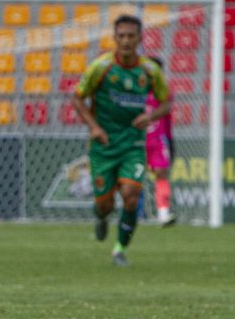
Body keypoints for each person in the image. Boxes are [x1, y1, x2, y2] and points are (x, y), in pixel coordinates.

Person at [72, 15, 171, 267]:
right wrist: (94, 127)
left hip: (133, 145)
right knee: (104, 205)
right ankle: (101, 217)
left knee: (130, 196)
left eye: (131, 35)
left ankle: (119, 249)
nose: (126, 40)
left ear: (140, 38)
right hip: (104, 145)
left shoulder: (150, 70)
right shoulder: (100, 67)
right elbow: (76, 98)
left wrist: (150, 116)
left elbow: (167, 101)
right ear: (114, 38)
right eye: (122, 36)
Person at [145, 57, 176, 227]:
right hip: (136, 141)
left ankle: (163, 213)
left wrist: (170, 142)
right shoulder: (135, 90)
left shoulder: (164, 93)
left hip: (158, 141)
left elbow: (168, 120)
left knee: (161, 174)